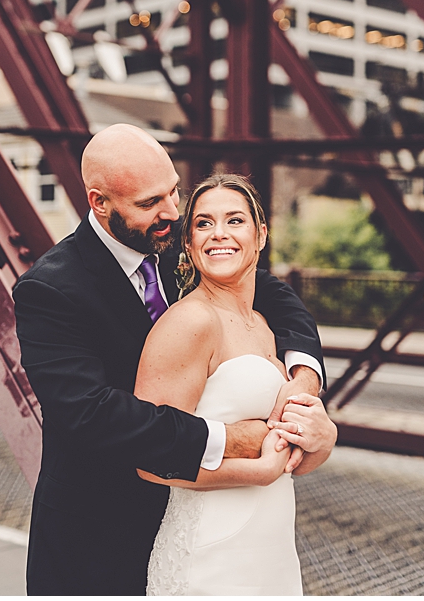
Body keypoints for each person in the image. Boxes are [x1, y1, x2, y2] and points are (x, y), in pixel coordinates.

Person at [13, 124, 330, 595]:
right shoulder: (49, 290)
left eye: (174, 192)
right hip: (99, 536)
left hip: (200, 519)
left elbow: (277, 299)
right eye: (148, 203)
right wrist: (232, 439)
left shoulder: (177, 242)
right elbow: (92, 414)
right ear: (100, 203)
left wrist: (304, 381)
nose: (172, 213)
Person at [136, 174, 337, 595]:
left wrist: (322, 438)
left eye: (235, 220)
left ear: (261, 234)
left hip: (271, 552)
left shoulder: (265, 326)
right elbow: (148, 459)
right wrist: (258, 472)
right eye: (204, 224)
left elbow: (287, 458)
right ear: (188, 244)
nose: (219, 234)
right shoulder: (191, 322)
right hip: (212, 557)